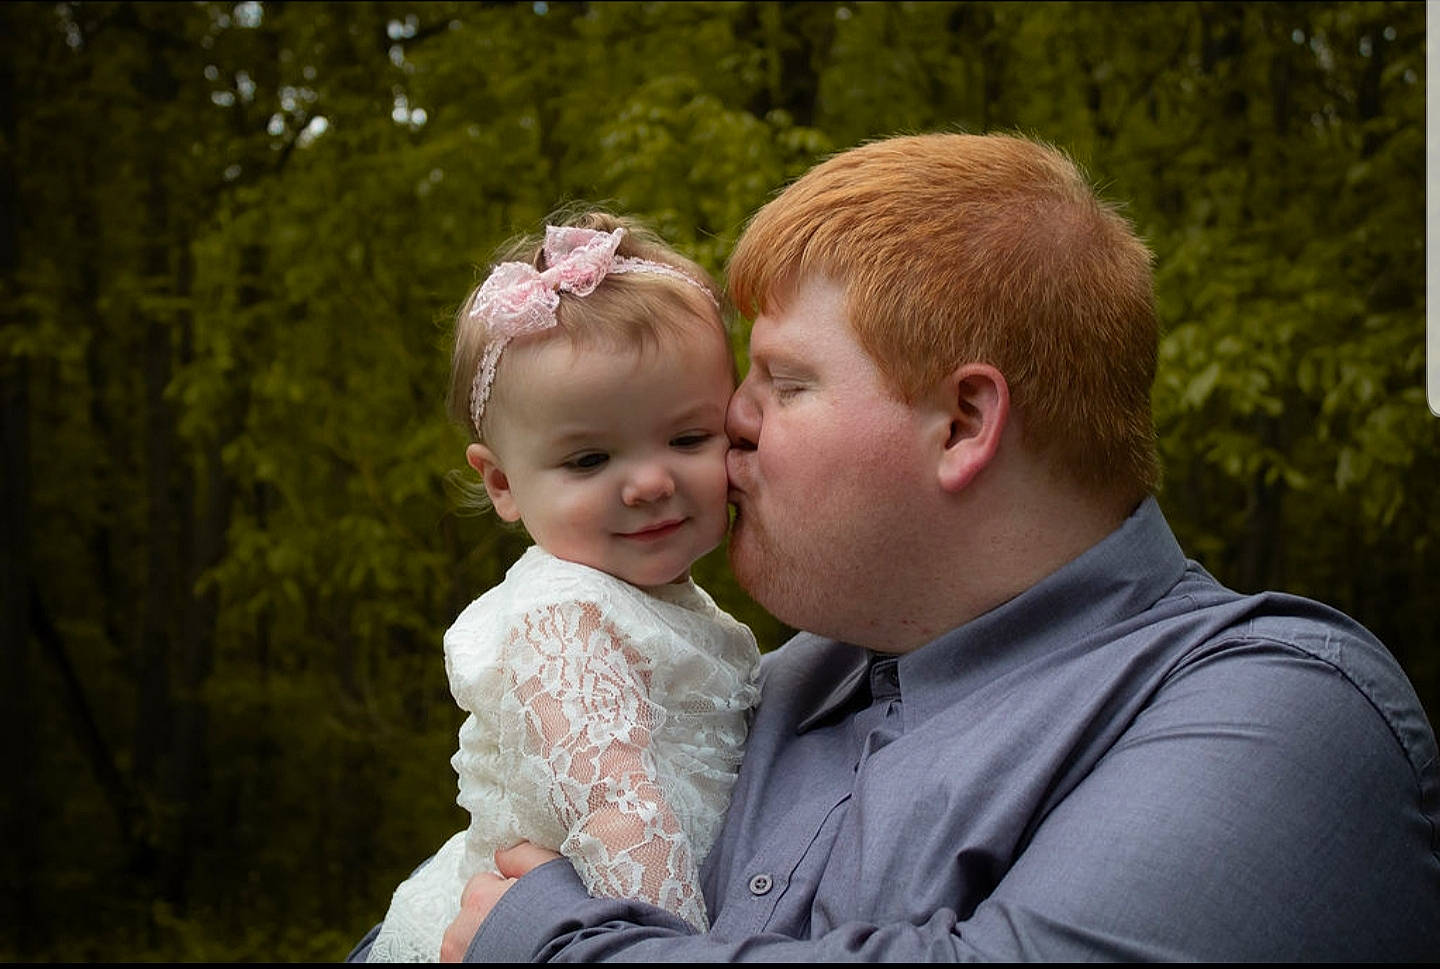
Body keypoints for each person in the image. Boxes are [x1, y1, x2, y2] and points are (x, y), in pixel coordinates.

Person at [398, 132, 1438, 961]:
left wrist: (543, 942)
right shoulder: (772, 684)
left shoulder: (1276, 709)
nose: (731, 421)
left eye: (786, 381)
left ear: (962, 424)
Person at [358, 214, 760, 962]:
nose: (648, 481)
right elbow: (617, 817)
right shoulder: (564, 616)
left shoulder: (667, 603)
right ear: (503, 483)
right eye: (588, 459)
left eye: (688, 438)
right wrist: (678, 953)